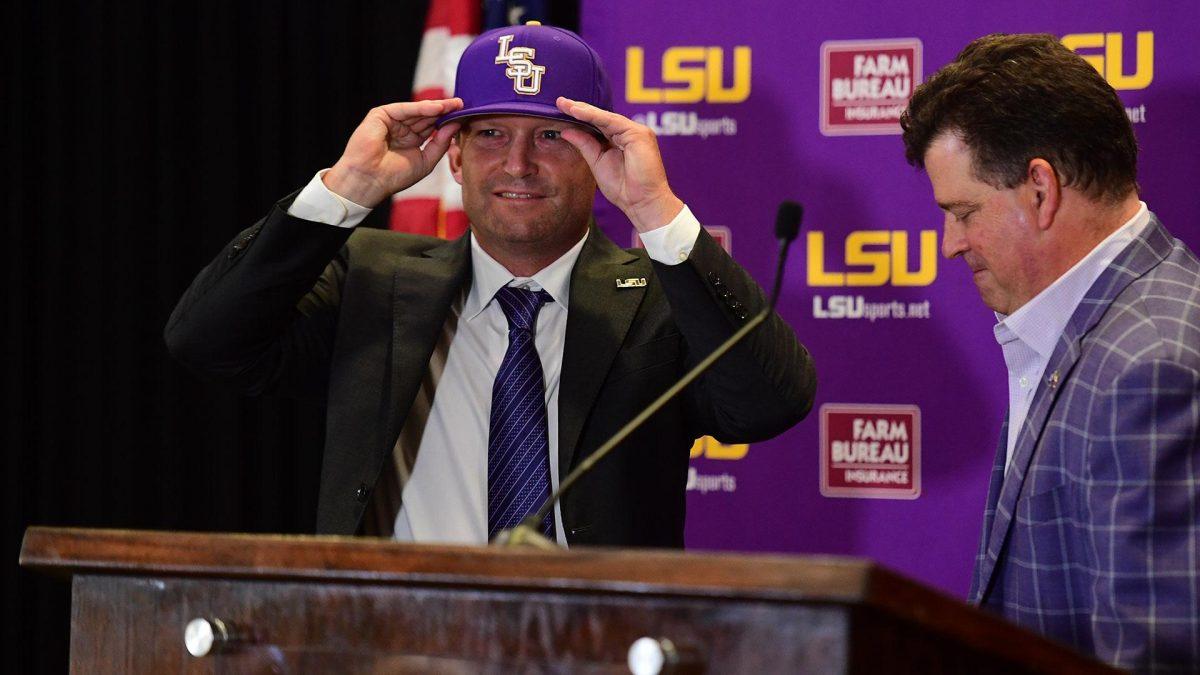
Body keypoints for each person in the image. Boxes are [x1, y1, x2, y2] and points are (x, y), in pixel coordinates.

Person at [165, 22, 815, 549]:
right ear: (453, 153)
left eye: (553, 136)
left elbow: (770, 402)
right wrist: (346, 190)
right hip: (397, 647)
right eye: (492, 134)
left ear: (602, 153)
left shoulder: (658, 301)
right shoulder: (371, 278)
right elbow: (205, 340)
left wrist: (657, 212)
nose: (518, 164)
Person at [901, 33, 1200, 670]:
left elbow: (1154, 657)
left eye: (963, 211)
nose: (950, 244)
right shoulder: (1082, 324)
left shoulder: (1151, 367)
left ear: (1040, 190)